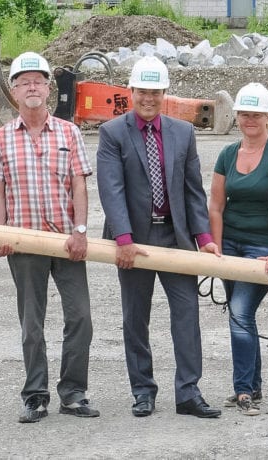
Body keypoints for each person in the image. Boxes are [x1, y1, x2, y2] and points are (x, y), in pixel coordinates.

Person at [96, 56, 222, 419]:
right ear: (130, 91)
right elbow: (112, 189)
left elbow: (193, 190)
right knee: (136, 318)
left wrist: (204, 237)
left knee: (186, 315)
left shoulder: (182, 133)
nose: (148, 98)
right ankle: (143, 391)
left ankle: (188, 392)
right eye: (142, 91)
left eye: (155, 92)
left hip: (175, 235)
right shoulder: (113, 133)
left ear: (164, 93)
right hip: (134, 239)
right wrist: (122, 238)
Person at [0, 52, 99, 422]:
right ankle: (35, 395)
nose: (32, 87)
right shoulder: (1, 138)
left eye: (38, 80)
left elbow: (79, 185)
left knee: (80, 318)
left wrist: (80, 231)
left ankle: (73, 392)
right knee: (31, 324)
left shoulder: (70, 132)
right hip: (24, 245)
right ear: (14, 91)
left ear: (49, 88)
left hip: (67, 243)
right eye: (24, 81)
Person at [208, 83, 268, 416]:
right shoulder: (228, 154)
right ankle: (254, 386)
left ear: (267, 117)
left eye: (256, 114)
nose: (249, 119)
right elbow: (216, 205)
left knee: (241, 313)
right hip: (229, 242)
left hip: (261, 246)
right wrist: (215, 247)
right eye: (244, 113)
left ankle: (243, 390)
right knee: (242, 315)